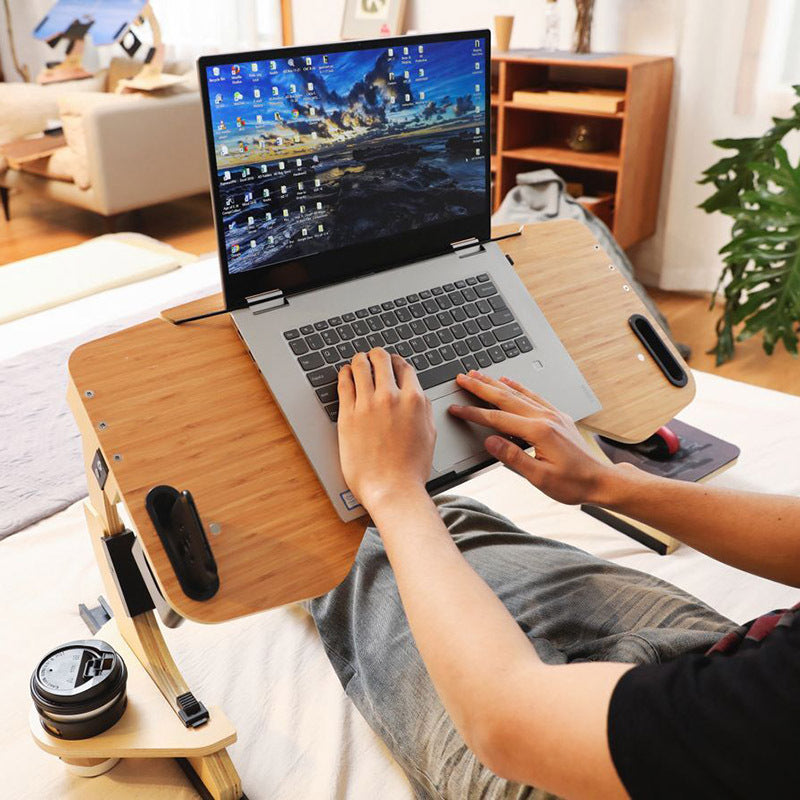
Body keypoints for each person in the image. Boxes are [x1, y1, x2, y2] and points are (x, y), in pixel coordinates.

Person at [308, 348, 799, 799]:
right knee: (443, 520)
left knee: (344, 550)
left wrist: (393, 488)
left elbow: (509, 725)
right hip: (728, 664)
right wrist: (606, 482)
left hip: (609, 767)